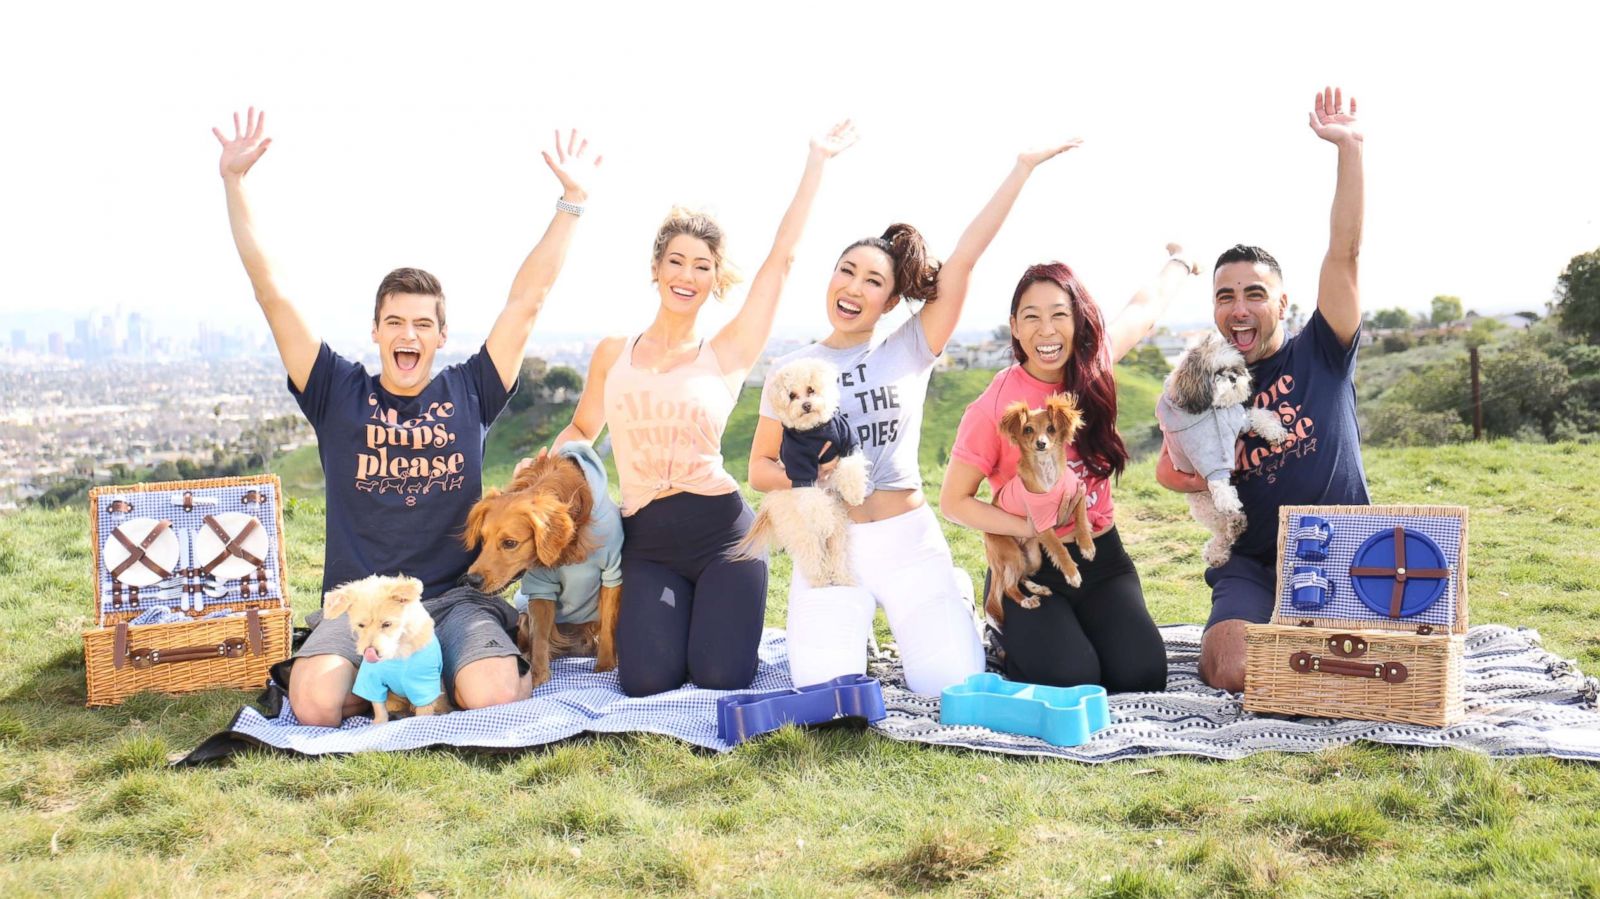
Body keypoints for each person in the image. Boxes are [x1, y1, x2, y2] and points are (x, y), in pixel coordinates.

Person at [212, 108, 600, 724]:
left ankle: (454, 667)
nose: (408, 334)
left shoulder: (470, 389)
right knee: (312, 705)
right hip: (363, 607)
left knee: (496, 698)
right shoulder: (336, 391)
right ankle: (412, 681)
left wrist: (572, 201)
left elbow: (528, 301)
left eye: (423, 324)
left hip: (455, 600)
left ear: (441, 335)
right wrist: (235, 184)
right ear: (375, 331)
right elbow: (273, 292)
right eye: (395, 322)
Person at [748, 137, 1081, 695]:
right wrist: (813, 476)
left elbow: (967, 258)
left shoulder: (911, 345)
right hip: (833, 546)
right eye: (846, 271)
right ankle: (852, 632)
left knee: (953, 684)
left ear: (889, 297)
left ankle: (948, 604)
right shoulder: (793, 369)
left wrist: (1020, 169)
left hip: (909, 540)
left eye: (873, 280)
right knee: (827, 694)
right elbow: (759, 467)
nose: (854, 287)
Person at [550, 122, 858, 697]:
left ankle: (715, 624)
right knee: (644, 681)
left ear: (716, 278)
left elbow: (782, 261)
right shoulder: (613, 353)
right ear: (656, 268)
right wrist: (540, 481)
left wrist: (816, 161)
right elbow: (581, 430)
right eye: (677, 261)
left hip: (724, 539)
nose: (687, 275)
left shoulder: (726, 353)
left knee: (720, 677)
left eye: (702, 265)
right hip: (647, 543)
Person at [1155, 87, 1369, 692]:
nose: (1240, 309)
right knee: (1230, 669)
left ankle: (1313, 642)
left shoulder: (1322, 348)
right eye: (1226, 296)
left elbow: (1345, 252)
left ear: (1283, 301)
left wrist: (1348, 149)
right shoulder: (1206, 376)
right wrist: (1189, 476)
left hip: (1344, 548)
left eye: (1254, 294)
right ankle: (1299, 641)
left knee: (1381, 661)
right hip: (1253, 563)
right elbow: (1169, 467)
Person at [940, 249, 1196, 691]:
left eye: (1059, 314)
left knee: (1141, 675)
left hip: (1101, 558)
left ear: (1078, 321)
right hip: (1030, 564)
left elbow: (1144, 308)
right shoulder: (995, 404)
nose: (1046, 330)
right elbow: (953, 502)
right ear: (1015, 327)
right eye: (1031, 317)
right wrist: (1027, 523)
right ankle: (1001, 625)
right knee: (1071, 677)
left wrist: (1181, 262)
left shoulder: (1093, 370)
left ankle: (1077, 628)